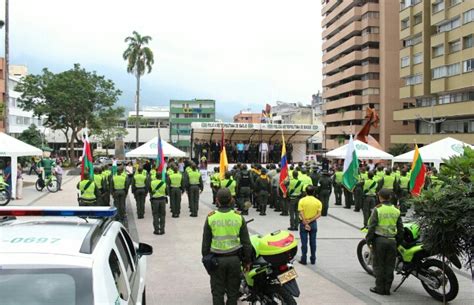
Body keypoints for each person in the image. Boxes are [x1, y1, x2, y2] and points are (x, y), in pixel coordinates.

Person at [201, 188, 252, 305]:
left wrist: (206, 261)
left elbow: (205, 244)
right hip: (234, 261)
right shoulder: (238, 217)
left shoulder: (211, 217)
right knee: (233, 293)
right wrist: (247, 261)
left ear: (217, 200)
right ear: (231, 200)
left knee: (217, 293)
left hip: (216, 261)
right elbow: (246, 243)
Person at [366, 188, 404, 296]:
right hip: (392, 241)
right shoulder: (396, 210)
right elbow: (400, 228)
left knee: (378, 265)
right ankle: (387, 289)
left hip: (379, 241)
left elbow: (372, 226)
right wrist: (398, 242)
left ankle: (379, 288)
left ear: (380, 197)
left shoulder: (378, 209)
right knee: (389, 266)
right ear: (390, 197)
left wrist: (368, 240)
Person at [298, 186, 322, 265]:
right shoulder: (318, 202)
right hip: (313, 223)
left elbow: (301, 212)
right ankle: (313, 259)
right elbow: (319, 214)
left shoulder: (302, 200)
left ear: (305, 192)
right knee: (313, 242)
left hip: (303, 223)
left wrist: (305, 221)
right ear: (314, 192)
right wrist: (310, 221)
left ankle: (303, 259)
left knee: (304, 243)